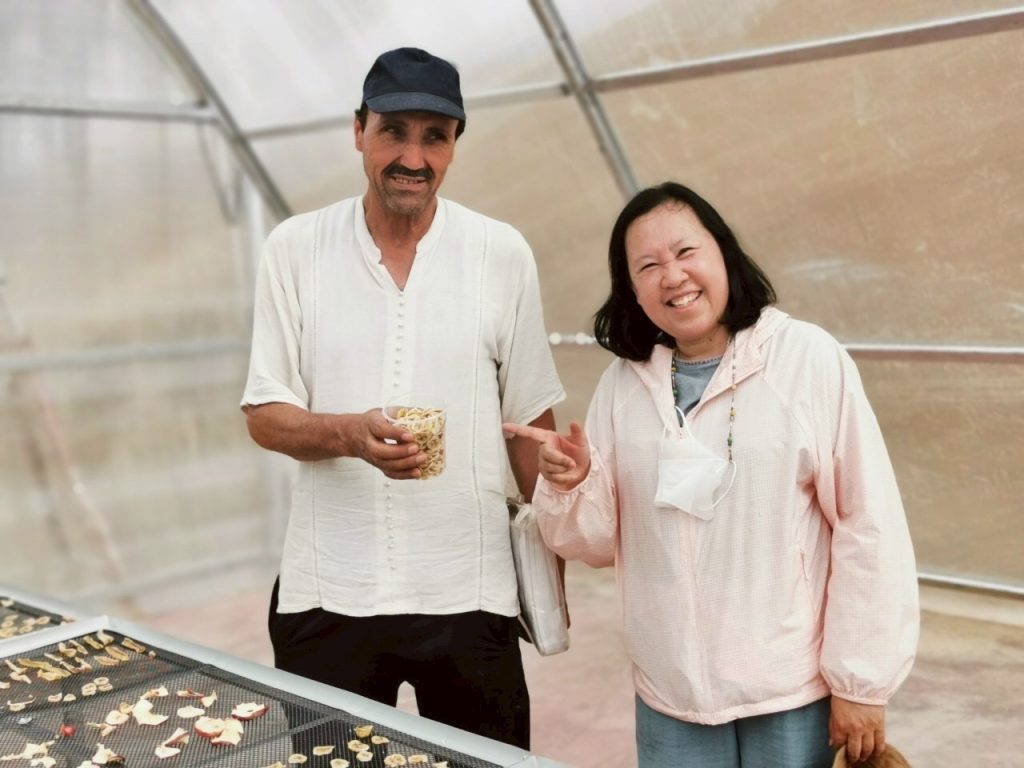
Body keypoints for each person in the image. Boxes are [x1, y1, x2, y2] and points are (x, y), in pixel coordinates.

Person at [503, 182, 919, 766]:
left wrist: (861, 682)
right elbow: (594, 544)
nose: (672, 276)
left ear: (723, 253)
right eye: (648, 266)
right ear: (632, 291)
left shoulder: (804, 358)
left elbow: (867, 521)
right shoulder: (623, 386)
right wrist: (573, 484)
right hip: (670, 692)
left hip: (788, 688)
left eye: (685, 252)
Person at [241, 47, 564, 749]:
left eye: (434, 137)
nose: (412, 158)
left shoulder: (500, 253)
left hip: (469, 590)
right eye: (394, 131)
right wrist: (350, 435)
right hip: (329, 591)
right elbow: (264, 415)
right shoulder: (295, 248)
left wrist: (553, 558)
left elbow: (528, 424)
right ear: (359, 130)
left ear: (454, 146)